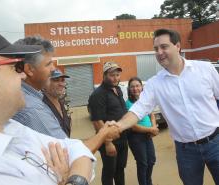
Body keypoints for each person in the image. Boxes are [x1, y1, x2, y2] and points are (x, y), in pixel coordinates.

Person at [109, 28, 219, 185]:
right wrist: (118, 126)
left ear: (178, 46)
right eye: (156, 49)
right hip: (186, 151)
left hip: (216, 142)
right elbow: (139, 109)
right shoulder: (155, 83)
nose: (159, 52)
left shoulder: (205, 69)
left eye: (164, 46)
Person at [0, 30, 95, 185]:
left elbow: (77, 149)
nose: (22, 76)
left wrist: (73, 179)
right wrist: (59, 178)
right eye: (16, 67)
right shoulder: (0, 173)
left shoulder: (11, 127)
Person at [12, 35, 120, 153]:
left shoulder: (34, 97)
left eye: (63, 80)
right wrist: (104, 133)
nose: (53, 69)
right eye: (48, 64)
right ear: (29, 69)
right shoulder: (32, 109)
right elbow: (68, 153)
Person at [88, 62, 128, 185]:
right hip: (109, 140)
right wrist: (108, 143)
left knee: (120, 169)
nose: (116, 78)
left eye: (117, 74)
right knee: (109, 171)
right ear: (104, 75)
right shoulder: (98, 94)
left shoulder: (117, 89)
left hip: (122, 138)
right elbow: (97, 121)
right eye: (112, 75)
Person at [126, 77, 158, 185]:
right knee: (143, 163)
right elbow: (133, 126)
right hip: (136, 137)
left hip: (148, 135)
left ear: (141, 87)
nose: (135, 88)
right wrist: (151, 129)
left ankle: (148, 182)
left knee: (151, 160)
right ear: (129, 89)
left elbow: (151, 114)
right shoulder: (128, 104)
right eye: (132, 86)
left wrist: (153, 127)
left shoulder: (144, 101)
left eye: (137, 85)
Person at [43, 69, 71, 137]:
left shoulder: (62, 102)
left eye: (62, 80)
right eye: (56, 80)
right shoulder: (42, 106)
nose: (61, 84)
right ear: (45, 83)